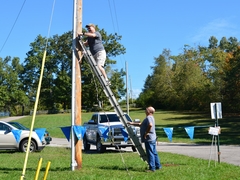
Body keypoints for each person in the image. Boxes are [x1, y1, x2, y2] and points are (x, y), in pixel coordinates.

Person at [128, 106, 162, 172]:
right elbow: (142, 124)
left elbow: (150, 125)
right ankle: (158, 166)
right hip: (152, 138)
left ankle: (152, 168)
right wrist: (132, 123)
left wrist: (146, 133)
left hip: (149, 139)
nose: (145, 110)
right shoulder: (150, 117)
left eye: (146, 109)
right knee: (154, 152)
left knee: (150, 153)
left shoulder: (149, 117)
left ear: (149, 111)